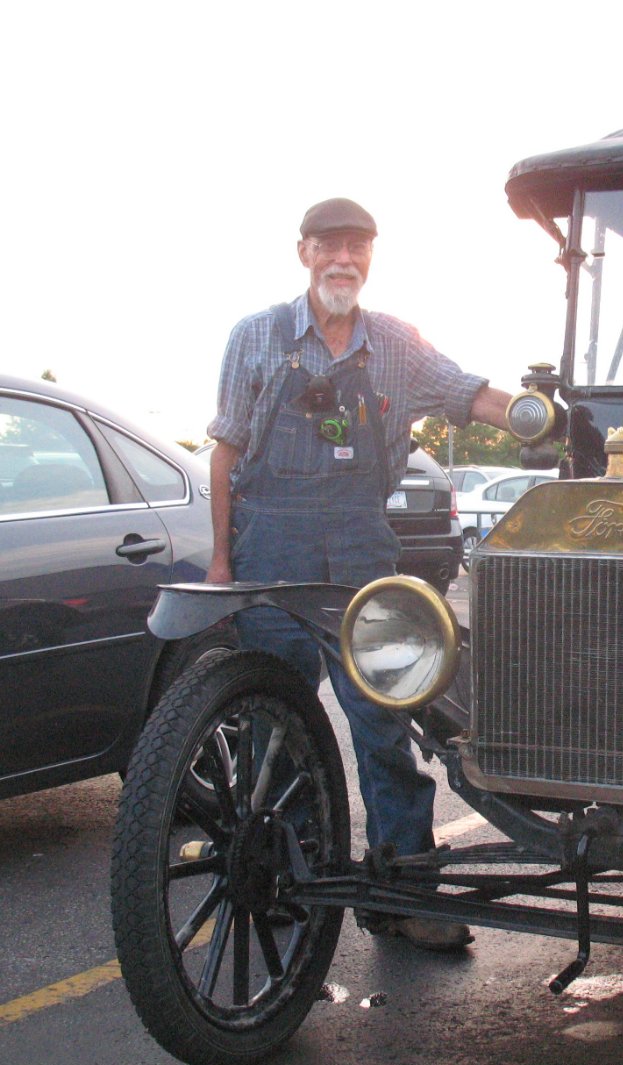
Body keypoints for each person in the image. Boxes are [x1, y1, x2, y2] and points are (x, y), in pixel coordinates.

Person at [206, 198, 514, 951]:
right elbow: (224, 454)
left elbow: (468, 393)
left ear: (370, 258)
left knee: (382, 721)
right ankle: (290, 881)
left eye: (358, 247)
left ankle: (405, 894)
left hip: (359, 553)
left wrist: (536, 414)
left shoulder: (397, 344)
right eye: (330, 245)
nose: (344, 259)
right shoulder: (256, 336)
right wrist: (220, 563)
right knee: (274, 726)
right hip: (270, 553)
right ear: (304, 252)